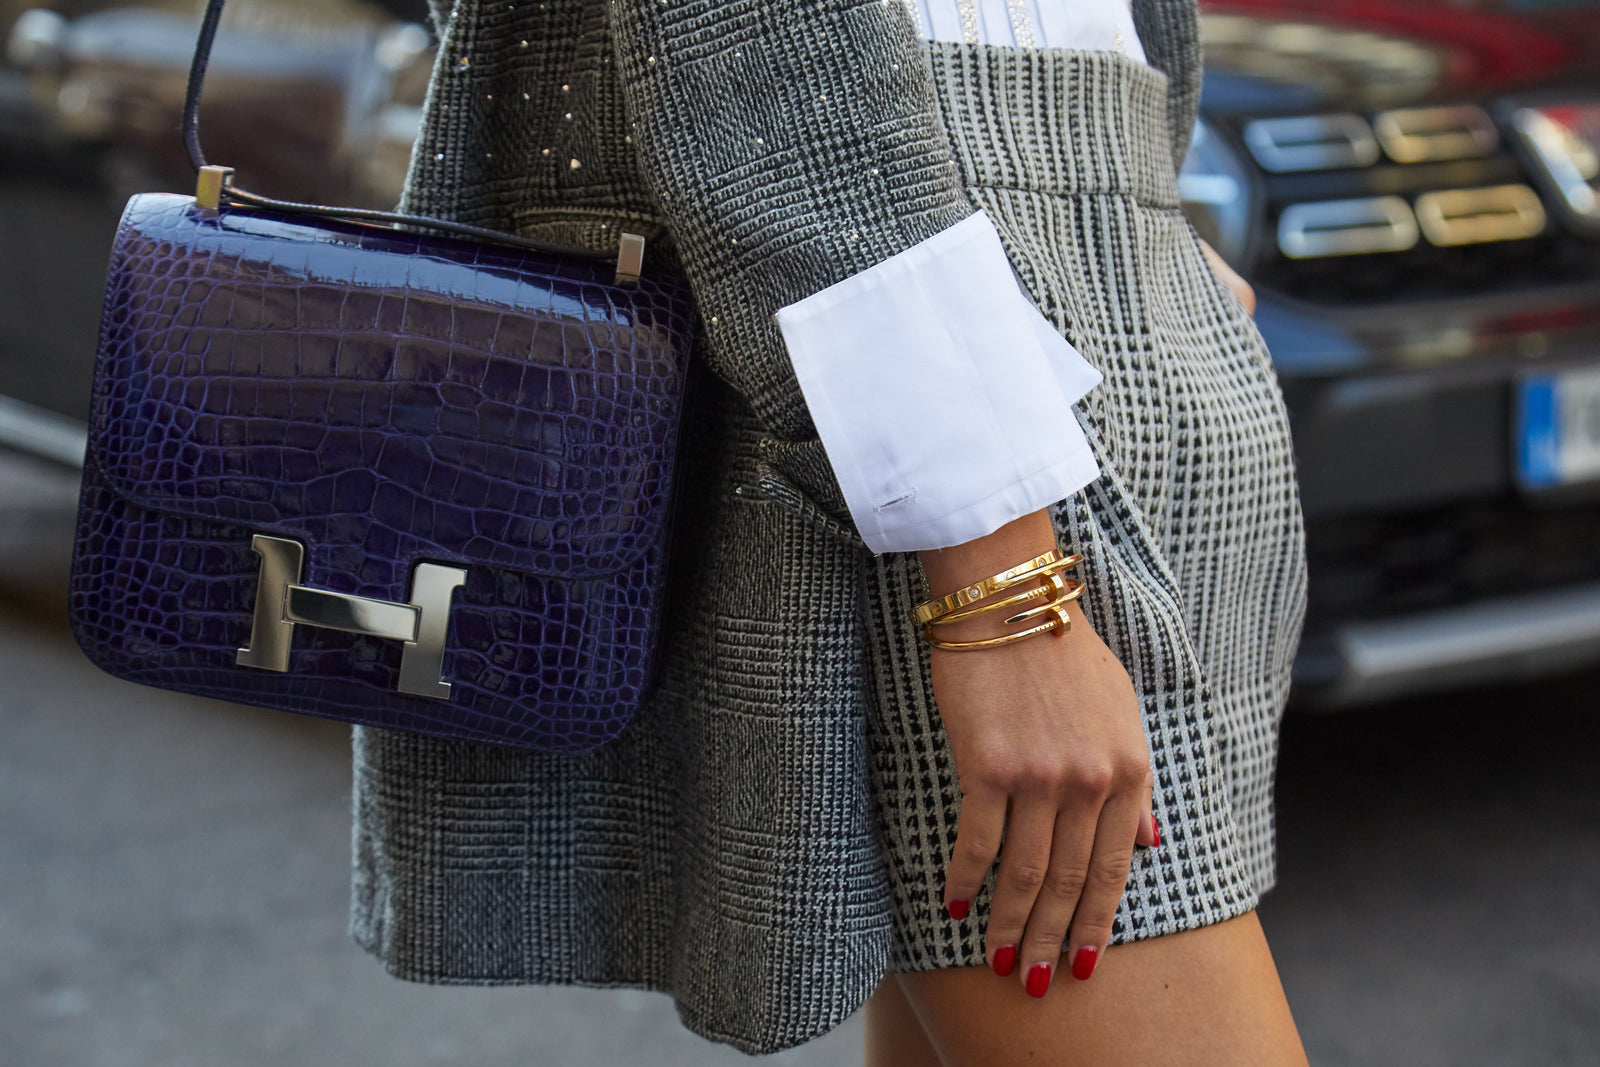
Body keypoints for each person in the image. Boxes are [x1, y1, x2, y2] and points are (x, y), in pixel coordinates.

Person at [350, 0, 1310, 1062]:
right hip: (925, 377)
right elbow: (767, 60)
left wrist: (1137, 206)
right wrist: (1000, 593)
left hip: (1116, 285)